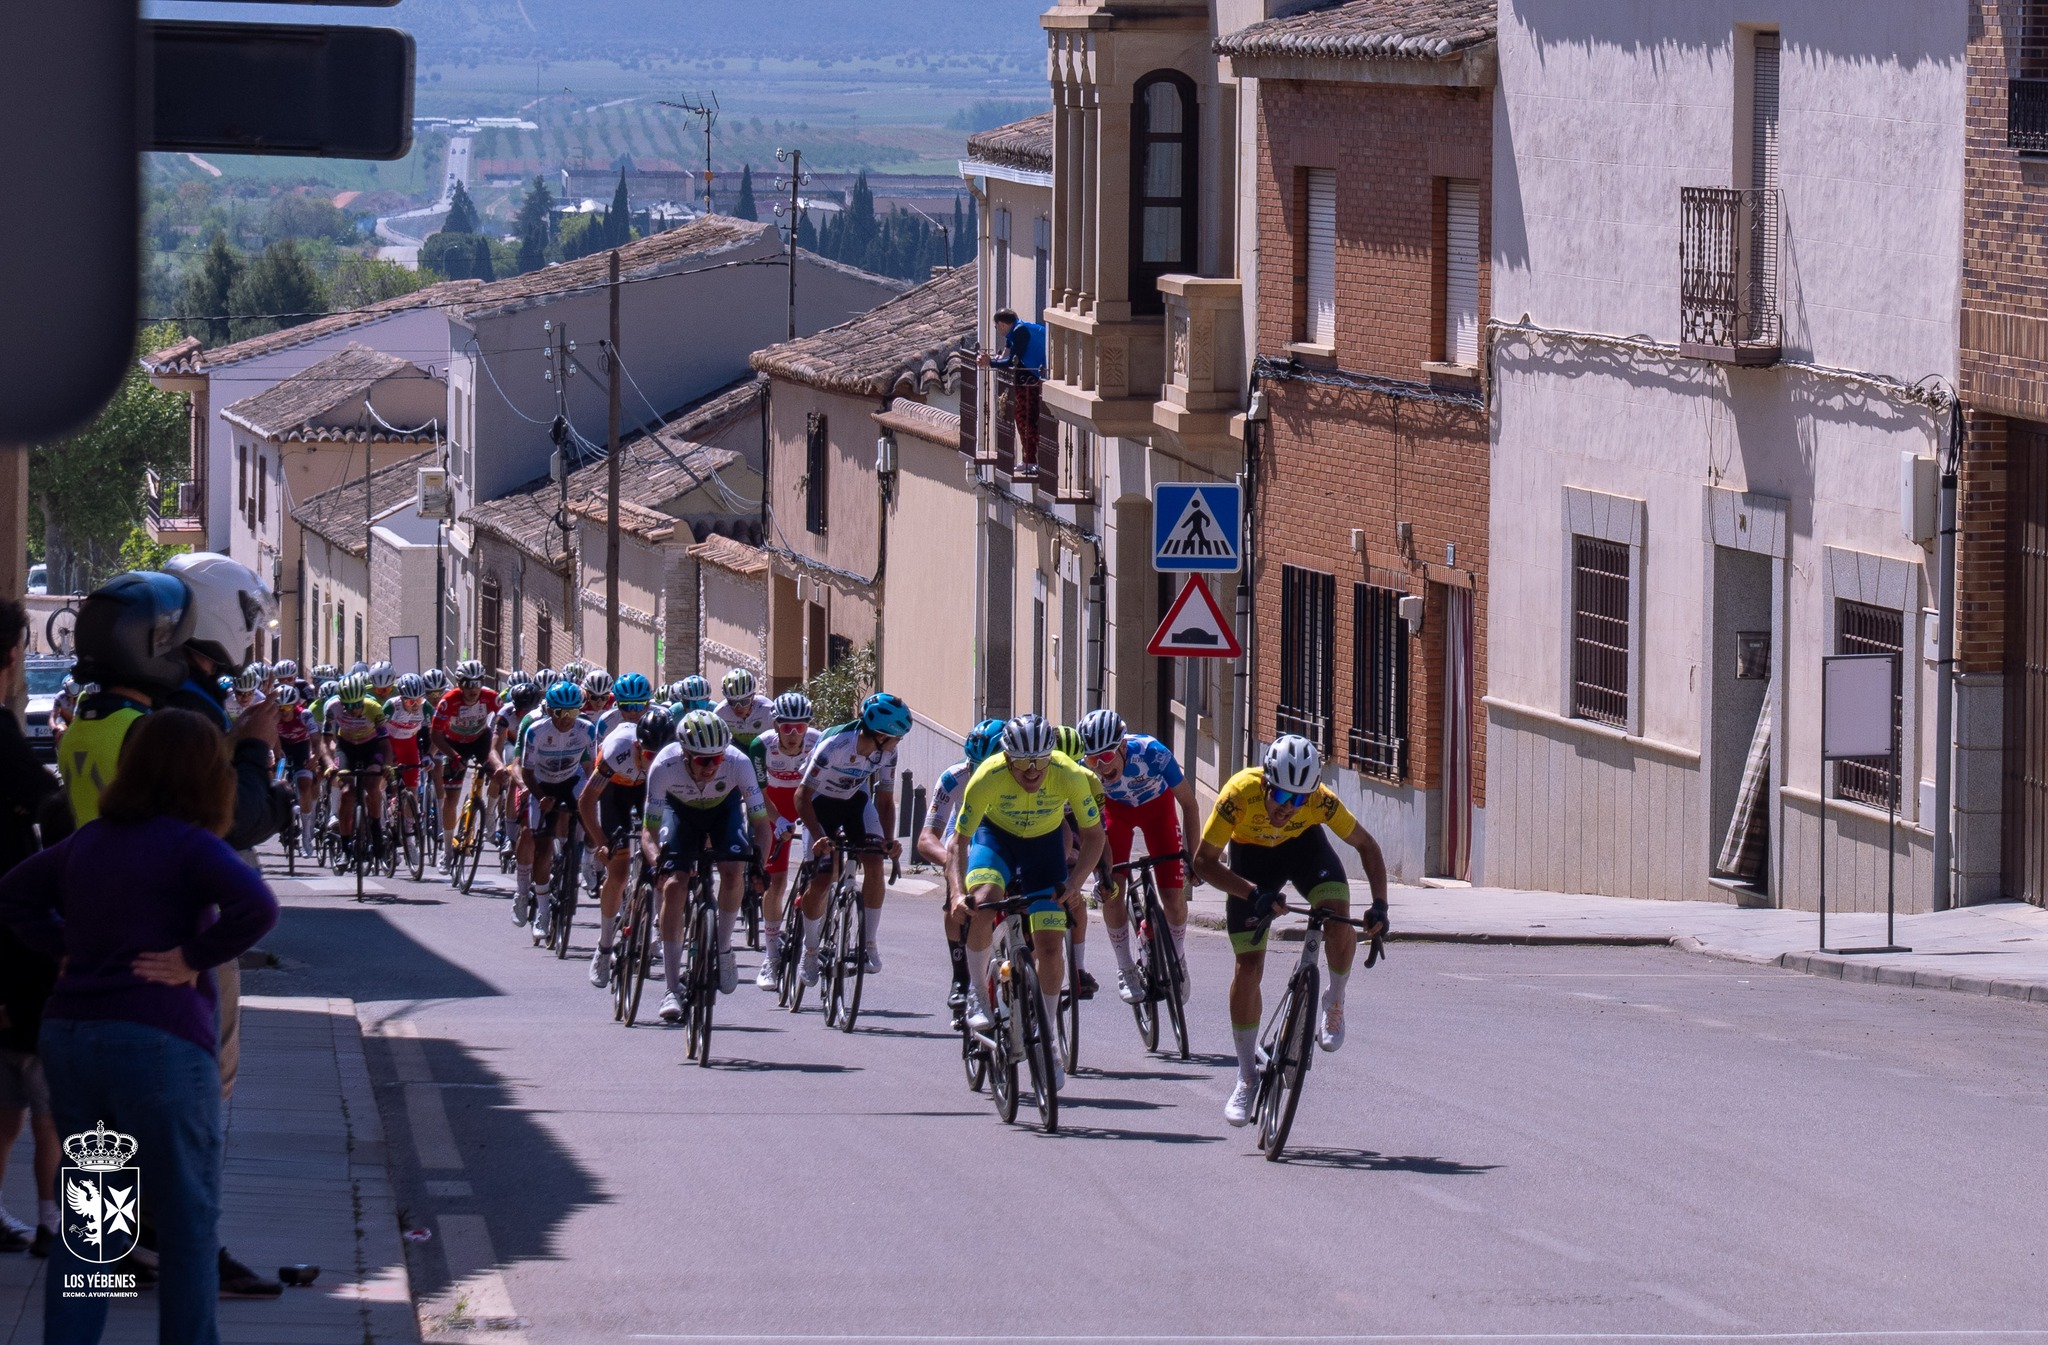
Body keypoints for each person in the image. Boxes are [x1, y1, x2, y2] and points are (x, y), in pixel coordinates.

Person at [0, 709, 279, 1342]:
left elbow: (14, 894)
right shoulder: (189, 844)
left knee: (95, 1233)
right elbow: (257, 907)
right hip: (160, 1043)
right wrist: (193, 957)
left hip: (74, 1038)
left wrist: (64, 945)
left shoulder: (90, 841)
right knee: (186, 1224)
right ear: (207, 776)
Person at [1190, 734, 1390, 1128]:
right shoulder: (1238, 795)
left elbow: (1367, 845)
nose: (1288, 807)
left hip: (1304, 850)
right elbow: (1203, 862)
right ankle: (1246, 1076)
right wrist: (1253, 894)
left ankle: (1334, 999)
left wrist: (1380, 904)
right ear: (1265, 784)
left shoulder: (1319, 801)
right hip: (1252, 863)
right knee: (1248, 968)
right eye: (1281, 796)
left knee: (1337, 914)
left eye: (1299, 800)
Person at [944, 714, 1106, 1093]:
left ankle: (1047, 1038)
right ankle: (978, 995)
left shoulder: (1069, 774)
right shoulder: (987, 776)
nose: (1032, 771)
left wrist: (1074, 884)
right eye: (1022, 763)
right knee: (983, 902)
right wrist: (955, 892)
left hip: (1044, 847)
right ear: (1006, 757)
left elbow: (1094, 836)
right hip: (995, 839)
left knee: (1049, 946)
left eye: (1040, 761)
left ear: (1051, 755)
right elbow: (958, 843)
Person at [643, 710, 772, 1022]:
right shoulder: (664, 765)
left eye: (717, 758)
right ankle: (671, 988)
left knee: (734, 870)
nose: (712, 766)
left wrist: (760, 866)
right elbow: (649, 832)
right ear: (685, 755)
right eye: (703, 760)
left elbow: (760, 824)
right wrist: (658, 863)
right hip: (680, 812)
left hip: (723, 811)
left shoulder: (738, 762)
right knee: (675, 885)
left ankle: (724, 948)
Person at [0, 598, 59, 1255]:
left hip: (20, 984)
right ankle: (64, 1232)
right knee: (69, 1119)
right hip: (45, 996)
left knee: (9, 1110)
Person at [1075, 707, 1204, 1006]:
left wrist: (1193, 859)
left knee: (1173, 897)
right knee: (1112, 891)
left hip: (1157, 808)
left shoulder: (1152, 753)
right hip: (1115, 813)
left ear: (1123, 746)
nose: (1102, 767)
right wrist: (1100, 873)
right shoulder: (1084, 773)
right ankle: (1125, 968)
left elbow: (1189, 804)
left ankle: (1178, 958)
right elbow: (1089, 825)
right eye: (1093, 760)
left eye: (1107, 756)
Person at [792, 693, 908, 984]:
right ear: (880, 735)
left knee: (874, 861)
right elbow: (802, 796)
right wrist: (818, 836)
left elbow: (885, 801)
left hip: (854, 801)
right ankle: (809, 951)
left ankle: (869, 945)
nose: (898, 743)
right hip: (819, 803)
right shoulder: (835, 746)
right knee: (822, 879)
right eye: (897, 737)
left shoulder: (888, 753)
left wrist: (888, 841)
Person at [916, 718, 1003, 1027]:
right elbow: (926, 839)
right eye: (974, 766)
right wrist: (951, 862)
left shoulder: (1018, 773)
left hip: (1004, 835)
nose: (978, 774)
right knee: (958, 895)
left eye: (985, 766)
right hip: (966, 835)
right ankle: (961, 976)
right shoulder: (953, 778)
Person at [579, 706, 672, 990]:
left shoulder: (671, 759)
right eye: (648, 756)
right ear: (637, 747)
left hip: (649, 793)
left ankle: (652, 924)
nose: (653, 762)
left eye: (659, 756)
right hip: (615, 792)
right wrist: (601, 842)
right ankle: (604, 946)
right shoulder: (617, 750)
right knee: (618, 872)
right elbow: (586, 801)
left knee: (662, 861)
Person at [750, 693, 821, 991]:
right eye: (786, 727)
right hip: (773, 804)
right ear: (775, 726)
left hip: (807, 801)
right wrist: (778, 820)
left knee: (821, 875)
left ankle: (811, 938)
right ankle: (771, 956)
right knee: (776, 882)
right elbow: (758, 792)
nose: (793, 734)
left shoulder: (818, 742)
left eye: (800, 727)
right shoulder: (761, 746)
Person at [514, 680, 596, 936]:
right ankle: (543, 912)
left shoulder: (586, 729)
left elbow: (590, 768)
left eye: (573, 712)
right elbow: (527, 773)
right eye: (561, 713)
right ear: (550, 711)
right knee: (542, 849)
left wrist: (592, 797)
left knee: (593, 822)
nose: (566, 719)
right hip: (542, 783)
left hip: (571, 780)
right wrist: (540, 797)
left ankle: (586, 863)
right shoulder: (535, 731)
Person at [430, 660, 504, 842]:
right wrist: (453, 756)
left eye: (478, 683)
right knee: (451, 798)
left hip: (480, 740)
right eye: (468, 684)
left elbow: (504, 723)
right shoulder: (448, 702)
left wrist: (497, 754)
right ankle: (448, 849)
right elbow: (436, 735)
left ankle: (489, 815)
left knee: (499, 775)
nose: (473, 689)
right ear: (459, 685)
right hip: (454, 745)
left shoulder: (491, 698)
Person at [977, 307, 1048, 480]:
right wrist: (993, 359)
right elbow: (1007, 354)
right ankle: (1028, 459)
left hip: (1032, 380)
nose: (997, 330)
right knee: (1021, 419)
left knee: (1028, 420)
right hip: (1027, 379)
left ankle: (1035, 461)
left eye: (996, 327)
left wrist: (990, 363)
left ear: (1001, 324)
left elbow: (1012, 360)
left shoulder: (1020, 331)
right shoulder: (1014, 332)